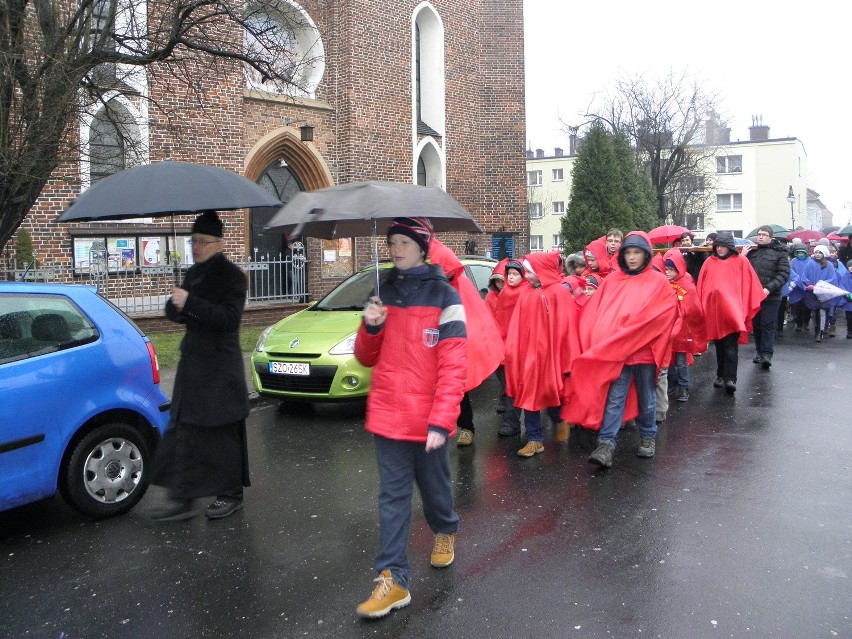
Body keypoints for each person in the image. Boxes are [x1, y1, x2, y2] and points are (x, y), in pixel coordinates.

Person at [354, 217, 467, 619]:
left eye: (405, 241)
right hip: (387, 411)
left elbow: (454, 365)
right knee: (393, 498)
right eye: (392, 242)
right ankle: (393, 579)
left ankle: (445, 528)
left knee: (435, 487)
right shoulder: (382, 291)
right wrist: (370, 327)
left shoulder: (445, 295)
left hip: (428, 414)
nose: (397, 248)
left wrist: (442, 420)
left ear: (423, 247)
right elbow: (365, 357)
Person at [147, 211, 250, 521]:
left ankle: (231, 493)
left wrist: (190, 303)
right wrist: (176, 305)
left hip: (220, 367)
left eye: (203, 241)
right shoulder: (193, 274)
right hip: (193, 364)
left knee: (221, 433)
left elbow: (228, 319)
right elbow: (178, 312)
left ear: (219, 243)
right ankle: (182, 493)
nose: (197, 247)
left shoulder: (233, 277)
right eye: (193, 241)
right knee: (184, 429)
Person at [563, 232, 679, 468]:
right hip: (618, 353)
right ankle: (606, 444)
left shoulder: (658, 282)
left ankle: (648, 437)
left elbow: (665, 316)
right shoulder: (613, 281)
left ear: (646, 254)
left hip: (645, 353)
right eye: (628, 252)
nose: (632, 257)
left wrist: (633, 334)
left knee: (647, 399)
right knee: (615, 398)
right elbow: (598, 313)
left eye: (637, 252)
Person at [428, 239, 504, 447]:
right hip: (429, 339)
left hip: (451, 338)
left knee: (457, 384)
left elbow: (474, 318)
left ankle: (465, 427)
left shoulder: (457, 285)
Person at [504, 252, 578, 456]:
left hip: (549, 356)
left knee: (550, 392)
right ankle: (535, 438)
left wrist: (565, 356)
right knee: (529, 393)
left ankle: (558, 418)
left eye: (529, 271)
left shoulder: (558, 293)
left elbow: (566, 327)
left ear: (542, 270)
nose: (526, 275)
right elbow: (518, 324)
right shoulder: (526, 292)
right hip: (528, 355)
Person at [697, 231, 764, 394]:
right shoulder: (709, 262)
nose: (719, 249)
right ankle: (720, 375)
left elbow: (750, 284)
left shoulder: (741, 261)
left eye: (723, 246)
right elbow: (702, 285)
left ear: (730, 247)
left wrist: (743, 306)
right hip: (714, 311)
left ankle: (731, 378)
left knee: (730, 346)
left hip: (733, 311)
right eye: (717, 246)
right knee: (719, 345)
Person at [492, 260, 531, 436]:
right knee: (510, 386)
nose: (511, 277)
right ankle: (512, 422)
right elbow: (500, 317)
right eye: (509, 274)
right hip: (505, 344)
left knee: (524, 386)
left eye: (515, 274)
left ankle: (528, 426)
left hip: (522, 345)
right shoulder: (506, 292)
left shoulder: (526, 292)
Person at [664, 248, 706, 403]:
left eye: (671, 270)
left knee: (681, 360)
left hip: (681, 331)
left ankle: (684, 387)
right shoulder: (664, 283)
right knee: (668, 361)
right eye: (666, 269)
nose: (667, 272)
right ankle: (672, 383)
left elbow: (693, 306)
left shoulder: (686, 284)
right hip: (667, 330)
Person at [745, 225, 790, 369]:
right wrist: (743, 257)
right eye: (759, 234)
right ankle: (759, 352)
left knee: (768, 324)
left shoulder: (780, 253)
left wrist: (769, 288)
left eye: (764, 234)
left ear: (771, 237)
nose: (760, 237)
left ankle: (767, 354)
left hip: (771, 296)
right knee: (757, 325)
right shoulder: (752, 252)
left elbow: (783, 274)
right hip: (754, 295)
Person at [803, 244, 837, 342]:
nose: (817, 254)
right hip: (812, 291)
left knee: (822, 311)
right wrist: (809, 284)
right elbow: (805, 276)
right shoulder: (810, 263)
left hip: (823, 292)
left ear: (824, 253)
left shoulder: (829, 265)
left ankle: (820, 331)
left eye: (820, 252)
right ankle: (817, 330)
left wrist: (822, 286)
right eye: (816, 252)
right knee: (815, 311)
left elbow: (832, 278)